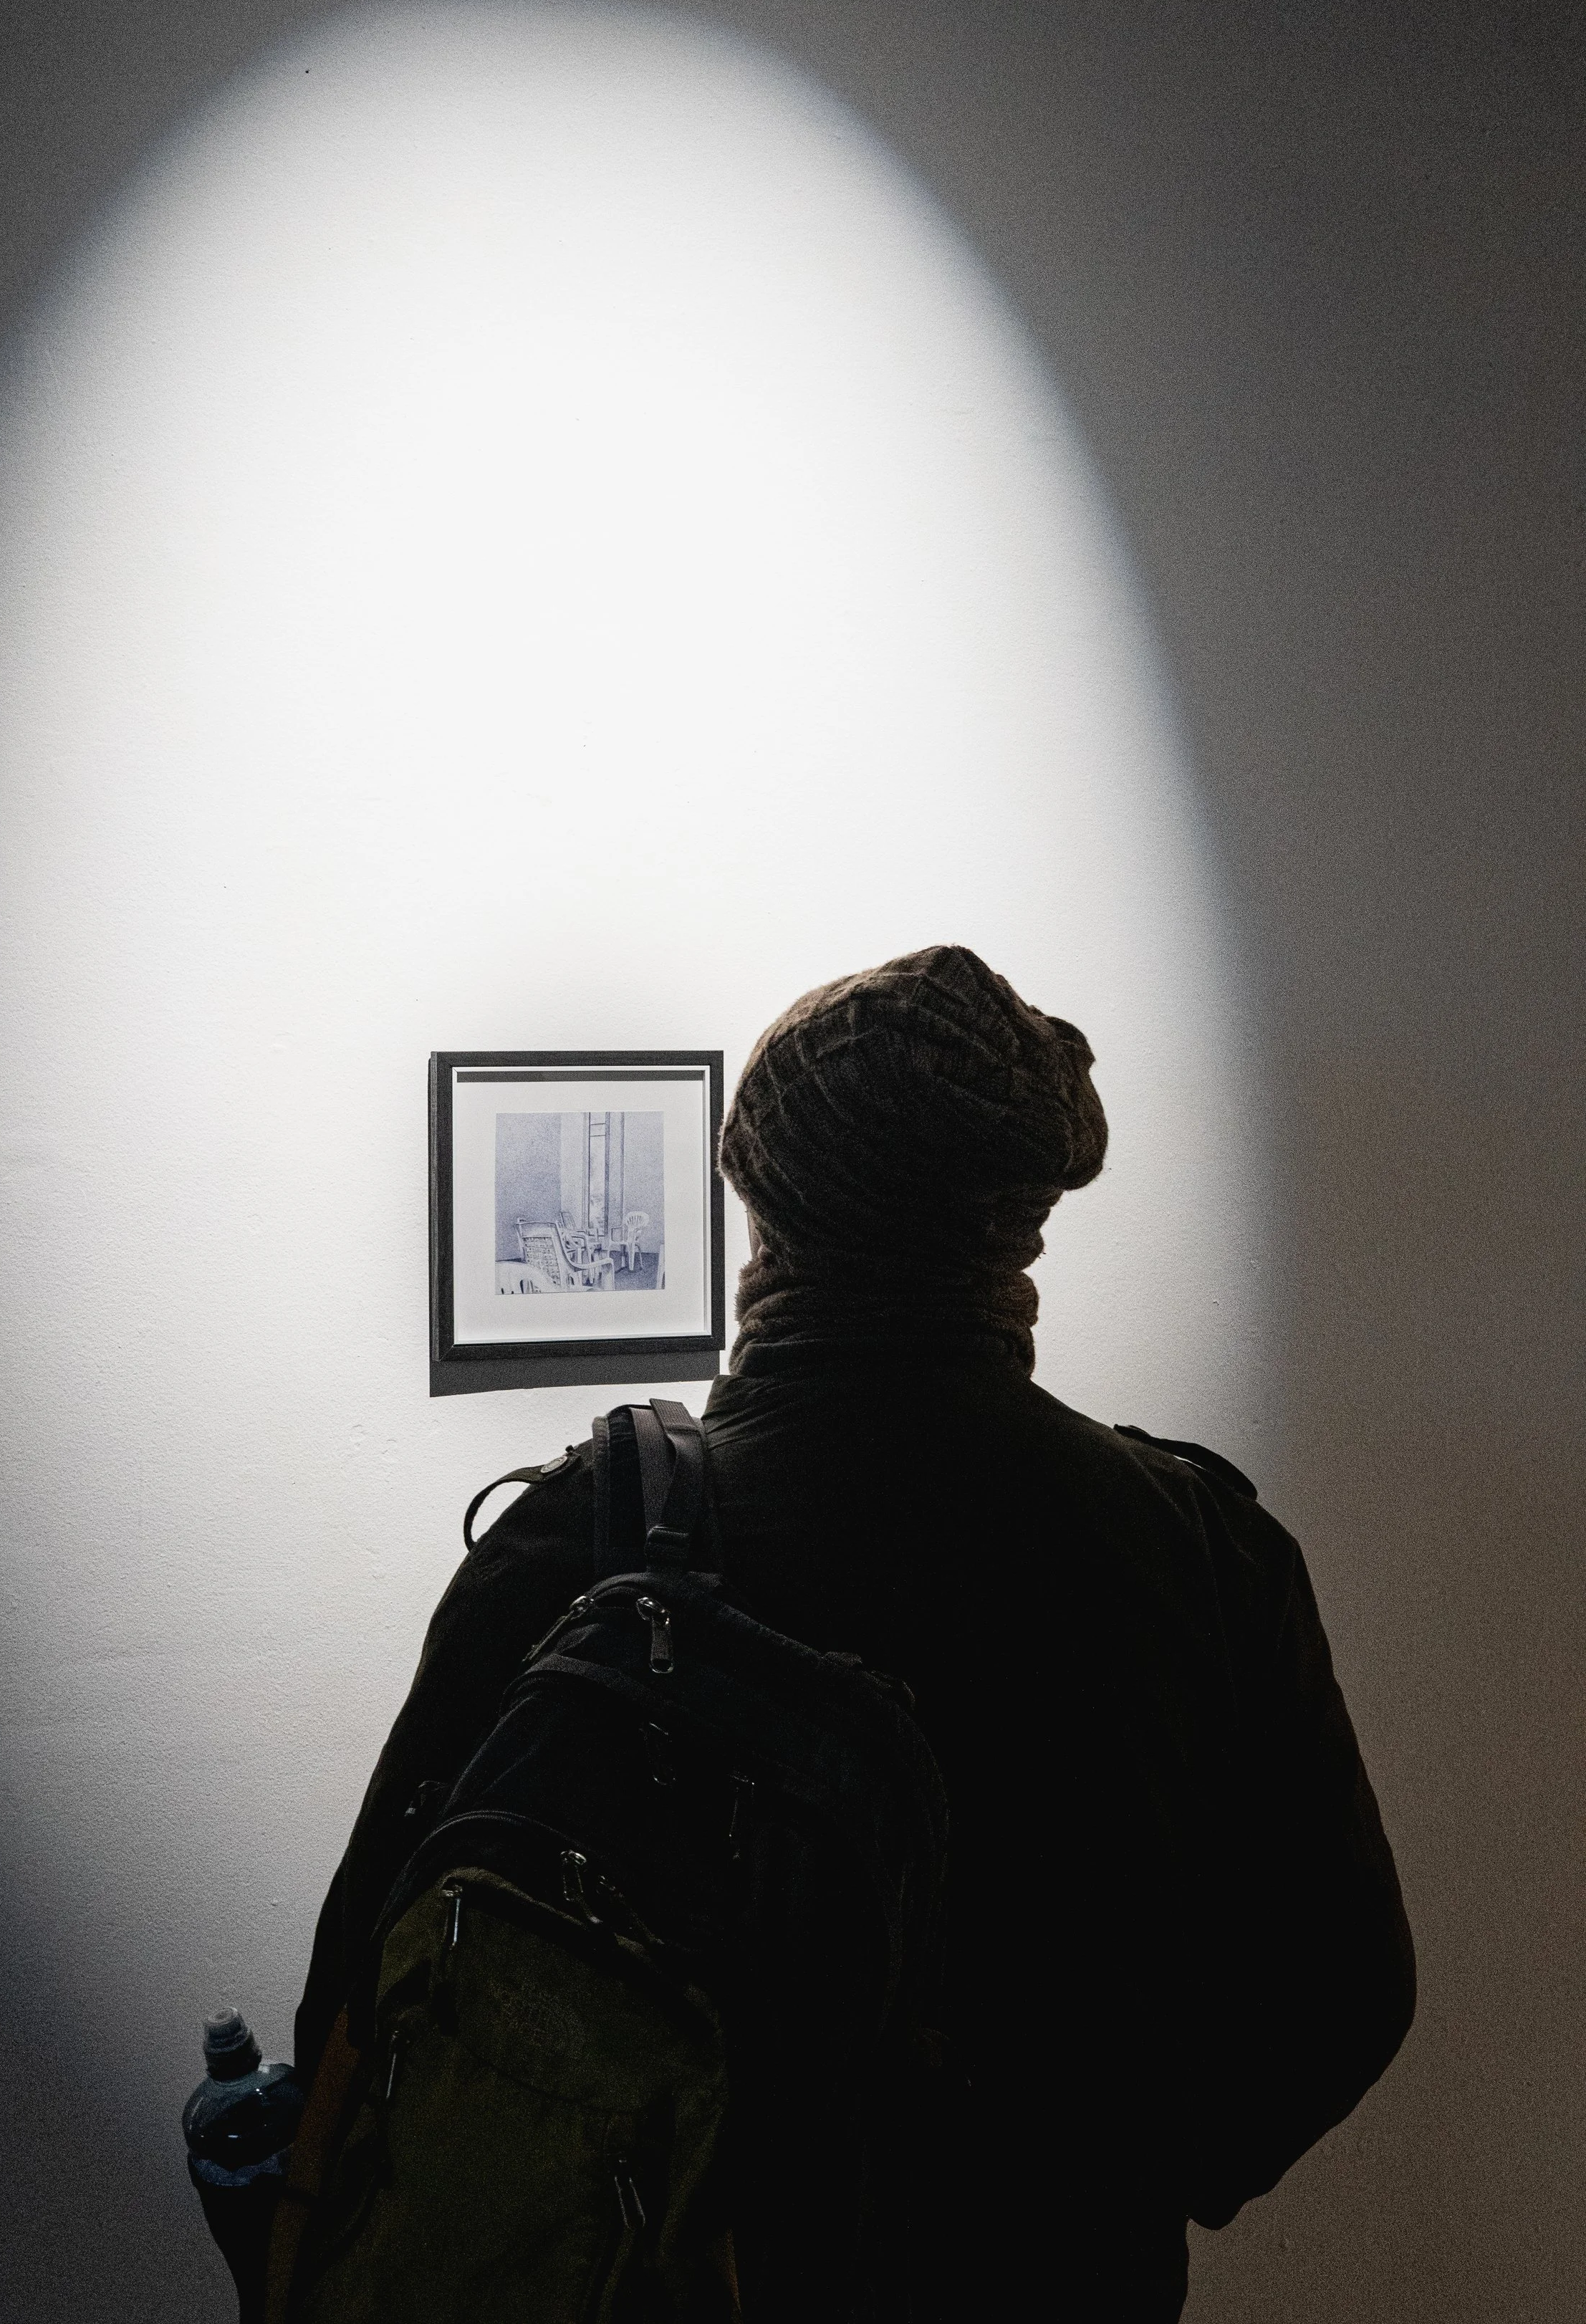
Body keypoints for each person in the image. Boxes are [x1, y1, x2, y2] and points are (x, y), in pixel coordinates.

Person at [292, 944, 1416, 2320]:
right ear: (1021, 1219)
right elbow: (1349, 1988)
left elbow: (374, 1982)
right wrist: (1118, 2175)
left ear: (766, 1201)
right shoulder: (1199, 1548)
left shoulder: (592, 1538)